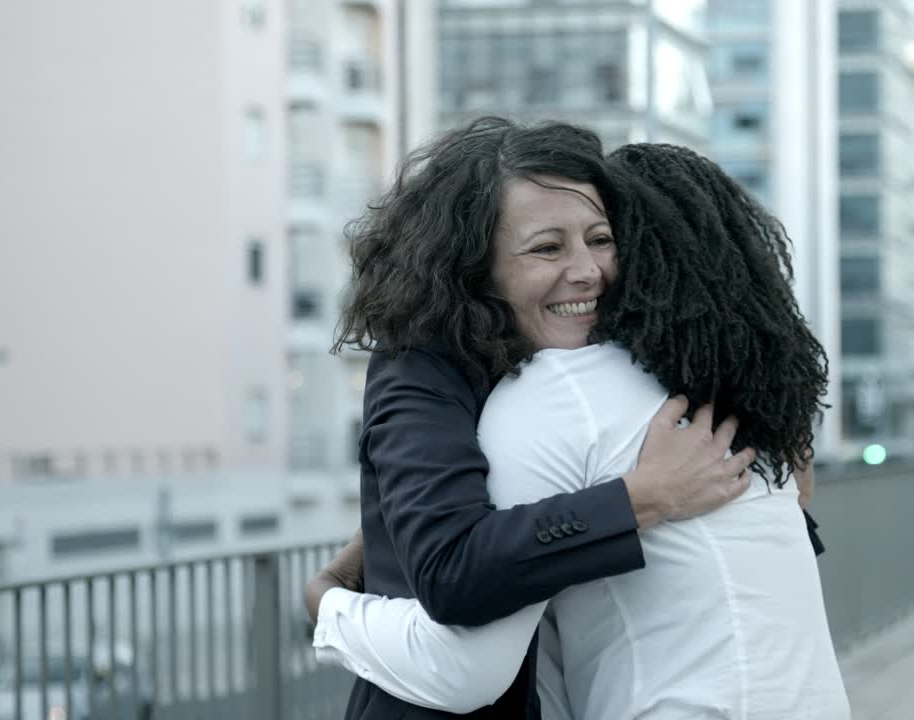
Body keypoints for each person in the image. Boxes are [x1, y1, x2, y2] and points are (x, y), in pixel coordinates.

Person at [309, 141, 851, 719]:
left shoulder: (573, 390)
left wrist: (330, 609)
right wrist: (641, 499)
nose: (588, 271)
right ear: (477, 266)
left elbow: (466, 669)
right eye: (548, 247)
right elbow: (454, 573)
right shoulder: (431, 370)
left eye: (601, 239)